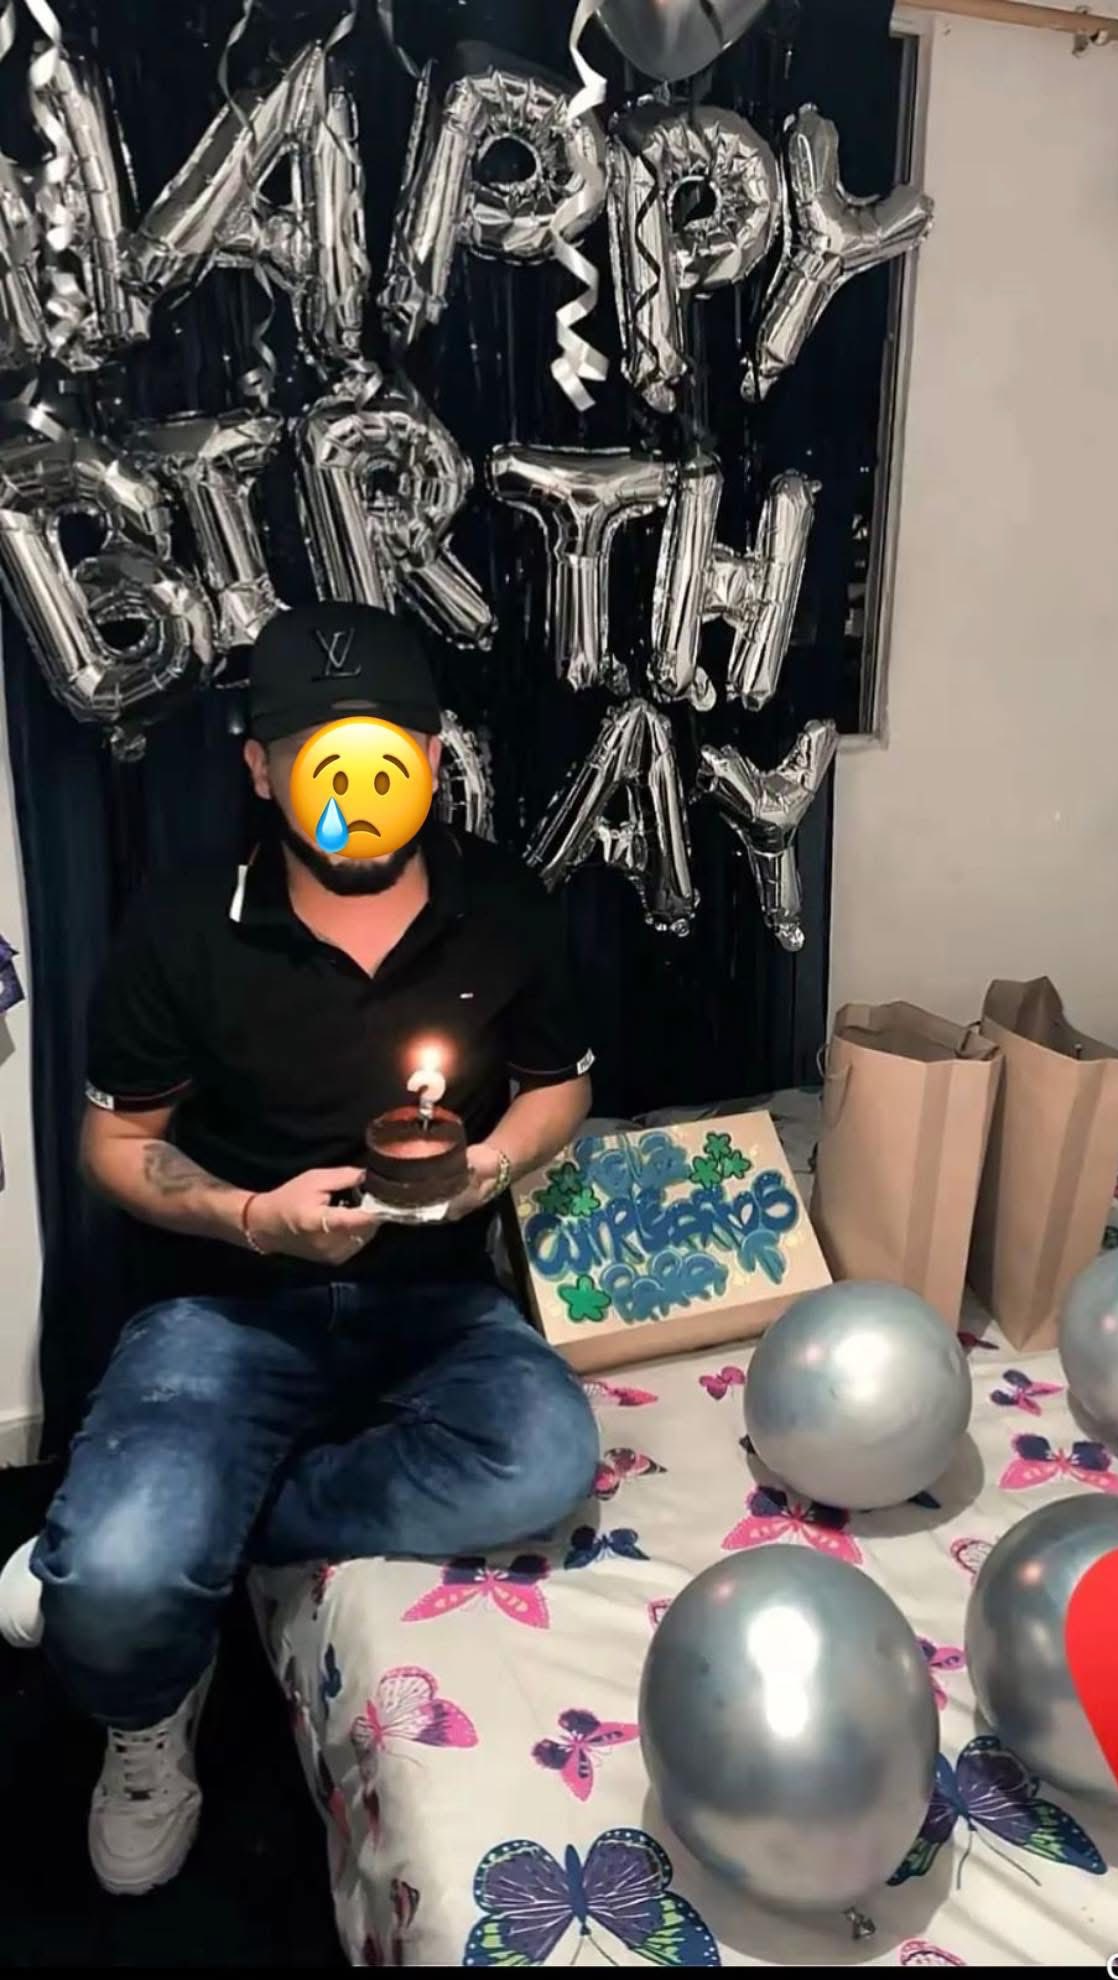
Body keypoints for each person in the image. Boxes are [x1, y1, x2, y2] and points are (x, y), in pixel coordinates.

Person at [0, 603, 600, 1897]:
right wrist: (250, 1216)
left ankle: (202, 1534)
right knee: (115, 1587)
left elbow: (560, 1087)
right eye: (316, 756)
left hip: (431, 1304)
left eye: (384, 752)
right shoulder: (184, 921)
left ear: (428, 759)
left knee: (548, 1461)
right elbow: (115, 1147)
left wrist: (491, 1164)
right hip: (227, 1310)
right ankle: (148, 1697)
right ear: (262, 770)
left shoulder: (506, 904)